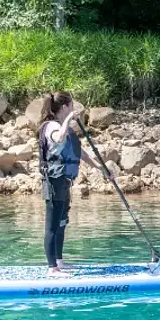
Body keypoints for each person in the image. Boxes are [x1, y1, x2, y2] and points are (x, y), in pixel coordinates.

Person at [38, 92, 107, 274]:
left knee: (62, 222)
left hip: (65, 180)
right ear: (65, 107)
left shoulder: (64, 127)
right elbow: (58, 139)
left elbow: (80, 153)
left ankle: (59, 262)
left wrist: (101, 168)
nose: (74, 108)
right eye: (72, 106)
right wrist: (69, 119)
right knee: (52, 225)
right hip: (53, 180)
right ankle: (52, 268)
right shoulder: (51, 126)